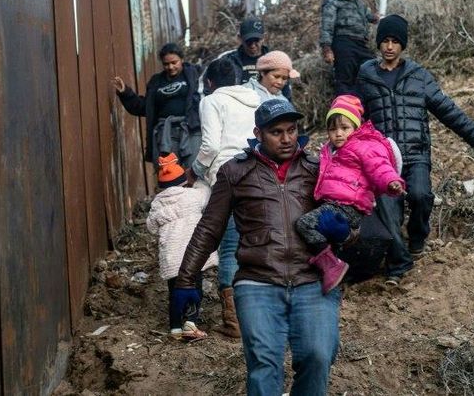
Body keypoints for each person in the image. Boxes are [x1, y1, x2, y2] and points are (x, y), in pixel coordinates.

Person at [172, 100, 341, 395]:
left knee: (317, 356)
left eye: (292, 130)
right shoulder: (235, 172)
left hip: (312, 280)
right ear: (258, 133)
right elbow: (210, 228)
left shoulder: (317, 168)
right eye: (277, 132)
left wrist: (344, 231)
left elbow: (350, 220)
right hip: (257, 282)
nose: (287, 138)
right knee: (265, 364)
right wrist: (186, 279)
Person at [357, 14, 474, 283]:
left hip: (417, 153)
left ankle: (417, 237)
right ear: (379, 43)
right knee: (388, 211)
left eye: (395, 41)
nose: (390, 46)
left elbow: (447, 109)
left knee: (420, 196)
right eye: (385, 40)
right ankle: (398, 265)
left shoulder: (418, 76)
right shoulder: (366, 75)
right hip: (382, 161)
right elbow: (353, 113)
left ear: (403, 45)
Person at [295, 95, 405, 293]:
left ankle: (332, 265)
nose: (338, 134)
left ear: (356, 127)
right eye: (332, 129)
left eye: (344, 128)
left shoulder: (362, 146)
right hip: (335, 203)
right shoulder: (331, 150)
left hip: (348, 204)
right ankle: (340, 250)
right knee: (323, 227)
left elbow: (379, 166)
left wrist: (392, 182)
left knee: (304, 224)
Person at [188, 57, 261, 338]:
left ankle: (234, 321)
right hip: (259, 172)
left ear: (209, 82)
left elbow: (210, 146)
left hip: (230, 176)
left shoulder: (212, 101)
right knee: (256, 241)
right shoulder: (255, 99)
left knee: (230, 245)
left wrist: (193, 172)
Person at [145, 153, 218, 341]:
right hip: (193, 256)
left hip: (171, 258)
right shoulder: (192, 197)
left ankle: (175, 327)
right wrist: (199, 180)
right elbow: (207, 195)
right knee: (195, 289)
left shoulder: (157, 204)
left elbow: (151, 227)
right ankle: (190, 323)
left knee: (174, 292)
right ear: (184, 182)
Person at [112, 42, 201, 167]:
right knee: (170, 174)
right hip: (165, 134)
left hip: (190, 131)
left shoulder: (193, 76)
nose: (170, 67)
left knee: (193, 171)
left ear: (182, 59)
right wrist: (125, 93)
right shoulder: (156, 82)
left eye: (174, 62)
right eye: (166, 64)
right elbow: (144, 107)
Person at [320, 0, 379, 97]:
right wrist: (327, 48)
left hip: (361, 44)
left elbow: (368, 16)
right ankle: (344, 110)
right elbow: (327, 25)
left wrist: (377, 19)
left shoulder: (359, 2)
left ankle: (364, 105)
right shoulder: (332, 3)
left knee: (370, 70)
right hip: (343, 42)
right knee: (345, 76)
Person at [205, 17, 292, 100]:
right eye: (248, 41)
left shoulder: (277, 61)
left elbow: (286, 93)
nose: (253, 45)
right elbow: (208, 84)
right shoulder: (227, 59)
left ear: (263, 37)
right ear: (240, 38)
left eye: (256, 40)